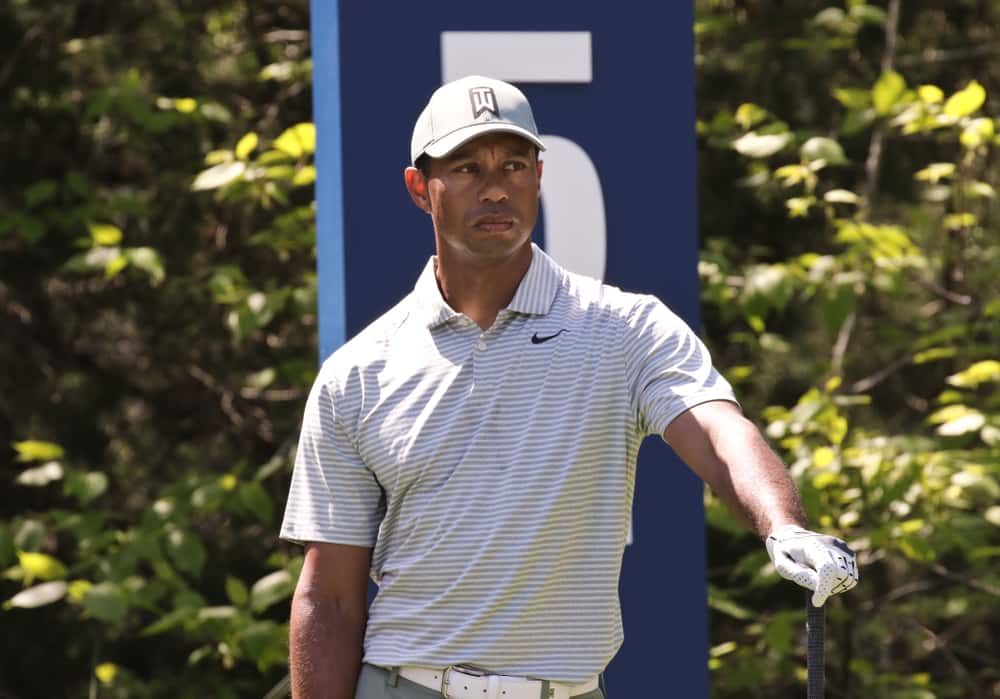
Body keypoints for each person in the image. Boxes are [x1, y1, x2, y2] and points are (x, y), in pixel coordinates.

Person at [279, 75, 858, 699]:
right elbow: (330, 597)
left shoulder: (626, 328)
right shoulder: (358, 373)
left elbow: (717, 431)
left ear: (539, 176)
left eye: (515, 165)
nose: (497, 187)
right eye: (468, 167)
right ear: (421, 188)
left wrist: (782, 526)